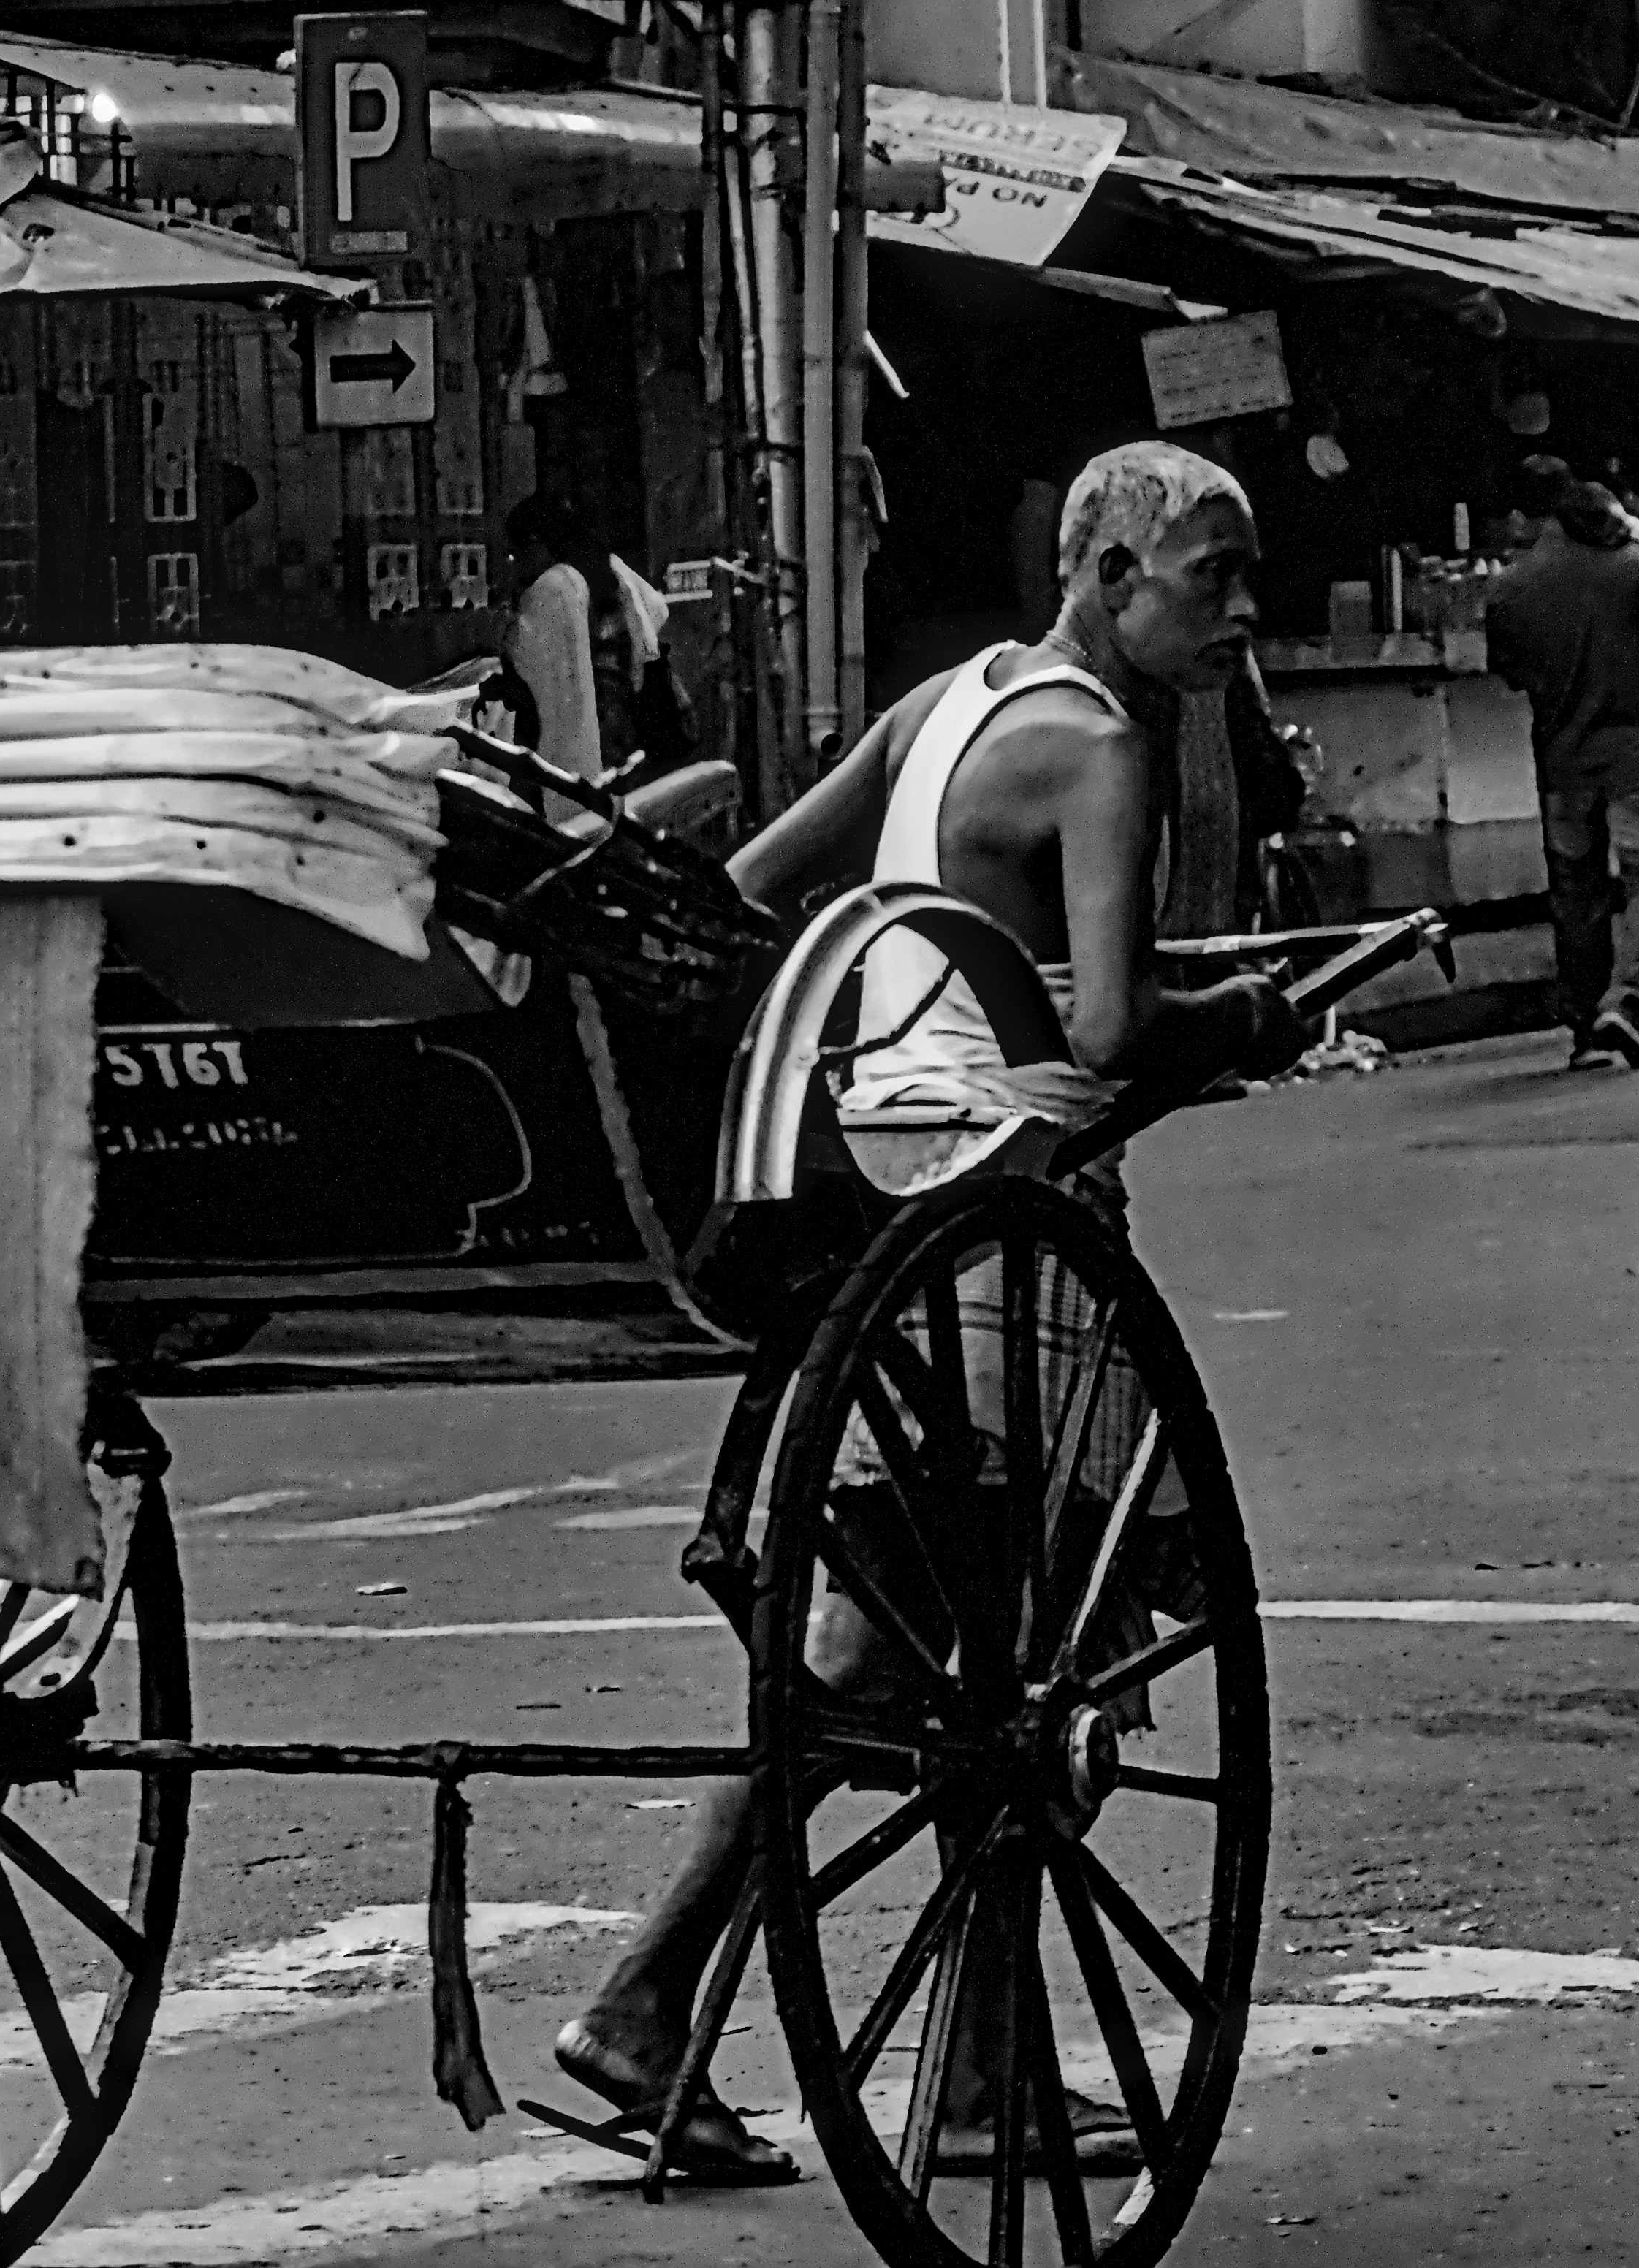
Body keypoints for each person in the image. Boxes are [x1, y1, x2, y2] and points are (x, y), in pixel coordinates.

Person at [549, 440, 1311, 2183]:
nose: (1241, 610)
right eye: (1216, 575)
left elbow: (753, 894)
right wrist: (1252, 1017)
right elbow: (1109, 1032)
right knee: (1040, 1669)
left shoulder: (942, 707)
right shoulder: (1102, 746)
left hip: (884, 1218)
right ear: (1106, 573)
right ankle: (795, 2036)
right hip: (1014, 1236)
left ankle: (695, 2017)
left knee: (888, 1644)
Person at [1486, 456, 1639, 1069]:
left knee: (1576, 888)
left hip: (1561, 758)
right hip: (1637, 748)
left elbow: (1510, 674)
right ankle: (1628, 1001)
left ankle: (1583, 1025)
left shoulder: (1509, 589)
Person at [501, 493, 680, 804]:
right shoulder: (610, 568)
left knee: (583, 820)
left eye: (518, 553)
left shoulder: (554, 586)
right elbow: (656, 610)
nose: (516, 565)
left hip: (583, 732)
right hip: (623, 721)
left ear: (535, 541)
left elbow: (525, 660)